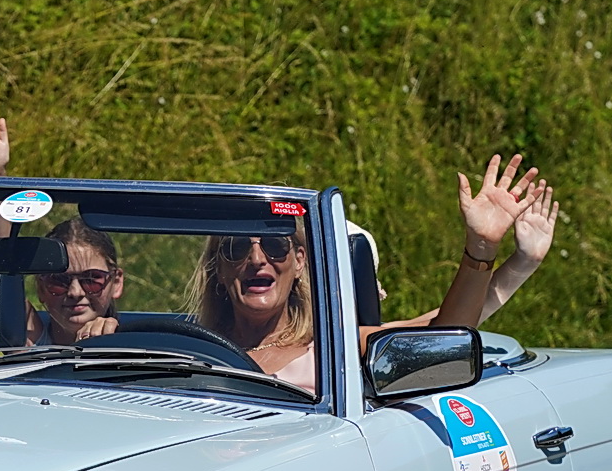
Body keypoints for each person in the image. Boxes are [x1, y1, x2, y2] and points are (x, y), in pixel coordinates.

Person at [191, 154, 543, 394]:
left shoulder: (336, 347)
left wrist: (487, 251)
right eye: (236, 248)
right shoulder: (186, 352)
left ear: (300, 261)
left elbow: (445, 334)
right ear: (219, 269)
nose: (256, 258)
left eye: (274, 246)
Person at [0, 99, 122, 345]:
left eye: (92, 280)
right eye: (57, 282)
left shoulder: (131, 341)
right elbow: (0, 262)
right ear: (40, 289)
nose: (75, 292)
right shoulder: (27, 338)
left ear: (116, 282)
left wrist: (113, 337)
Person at [376, 178, 560, 328]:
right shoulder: (352, 341)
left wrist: (524, 262)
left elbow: (446, 325)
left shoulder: (359, 337)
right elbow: (443, 334)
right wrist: (484, 247)